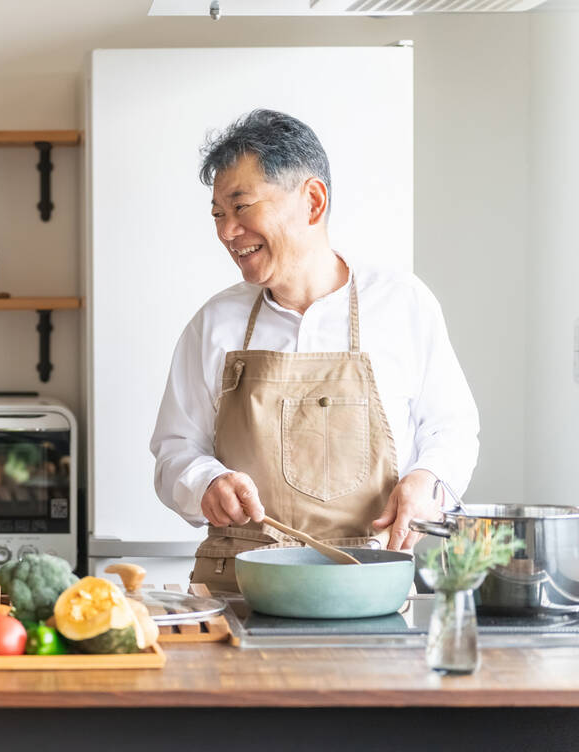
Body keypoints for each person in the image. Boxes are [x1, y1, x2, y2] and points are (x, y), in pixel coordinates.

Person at [149, 109, 479, 592]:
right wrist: (206, 483)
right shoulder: (214, 323)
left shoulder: (403, 304)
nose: (226, 232)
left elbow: (453, 428)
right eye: (219, 214)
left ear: (313, 201)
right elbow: (174, 450)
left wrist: (428, 480)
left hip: (366, 587)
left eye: (241, 206)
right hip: (239, 591)